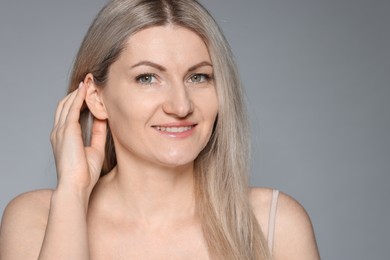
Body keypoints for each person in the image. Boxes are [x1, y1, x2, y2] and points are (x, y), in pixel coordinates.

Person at [0, 0, 320, 259]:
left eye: (199, 77)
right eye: (147, 78)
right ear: (96, 97)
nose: (180, 106)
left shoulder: (274, 225)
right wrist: (72, 190)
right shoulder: (38, 219)